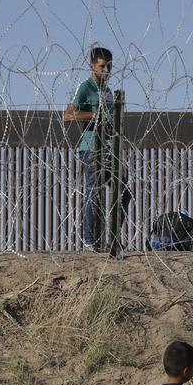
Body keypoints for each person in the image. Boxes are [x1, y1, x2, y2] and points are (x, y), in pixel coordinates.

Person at [63, 47, 130, 251]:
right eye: (102, 66)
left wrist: (109, 126)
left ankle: (113, 237)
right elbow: (67, 115)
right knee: (95, 191)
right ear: (93, 66)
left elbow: (109, 120)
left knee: (123, 191)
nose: (107, 70)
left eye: (109, 66)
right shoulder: (86, 87)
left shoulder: (108, 92)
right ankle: (90, 240)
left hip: (108, 147)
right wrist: (94, 116)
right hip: (90, 147)